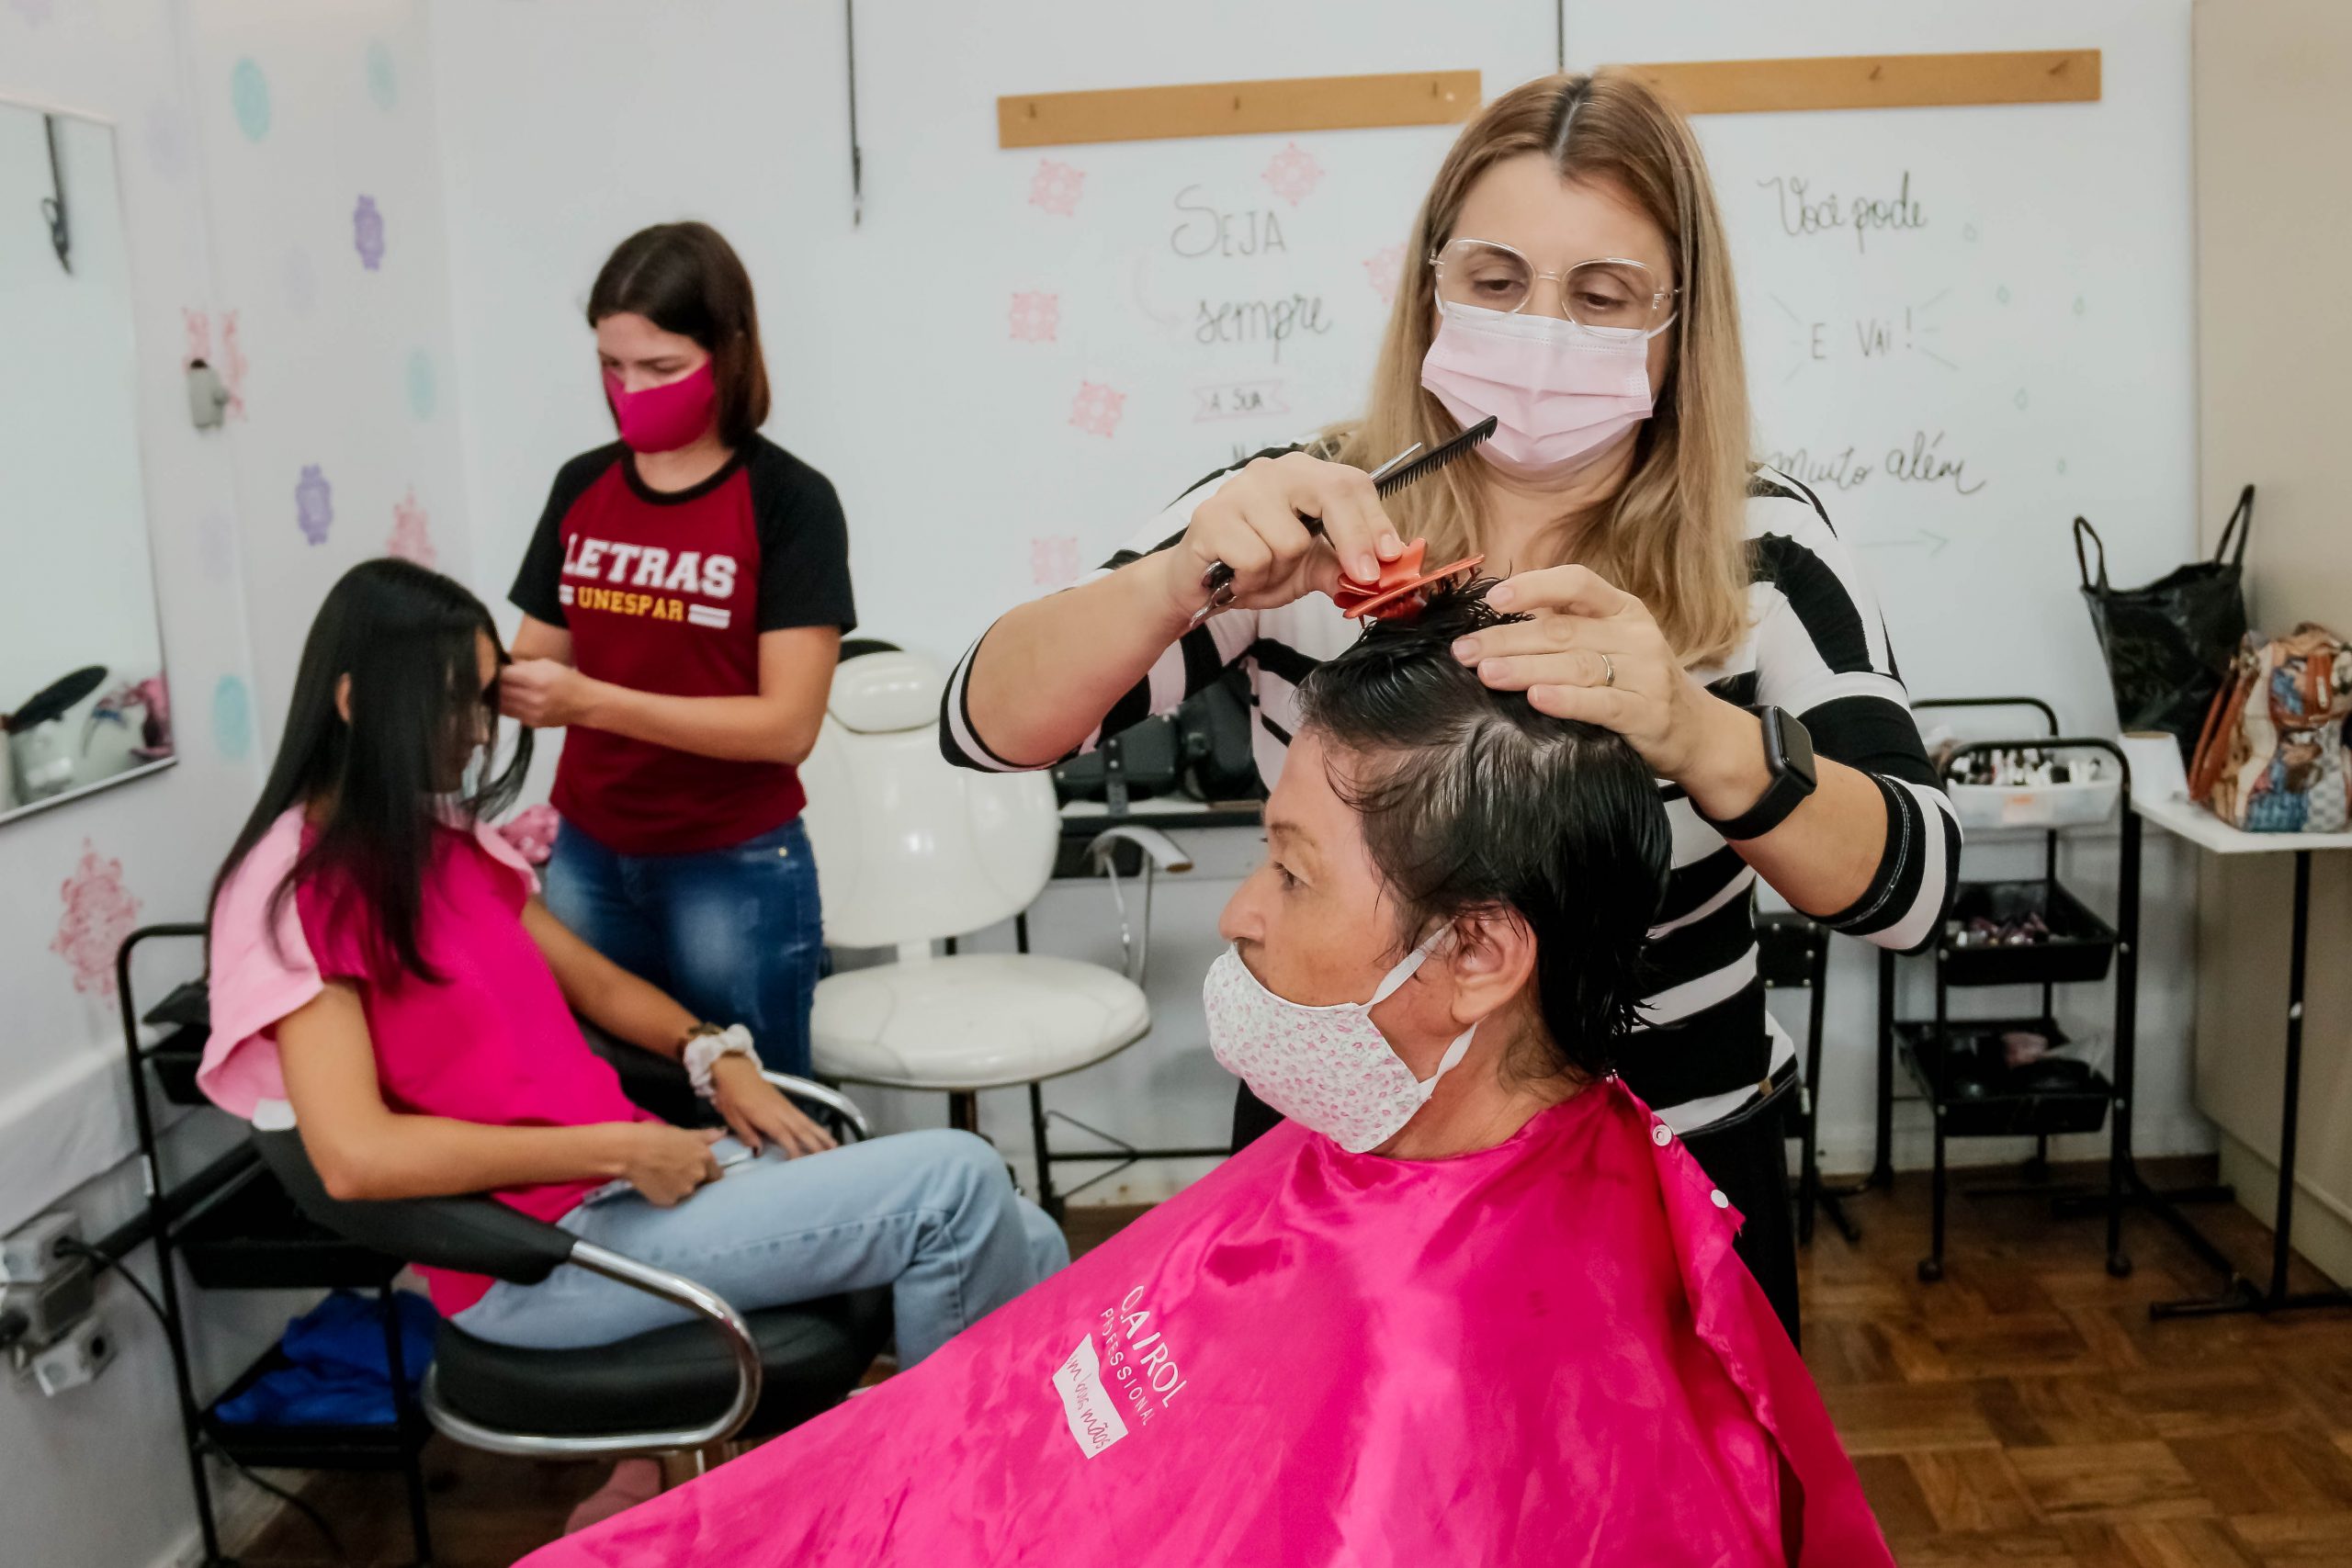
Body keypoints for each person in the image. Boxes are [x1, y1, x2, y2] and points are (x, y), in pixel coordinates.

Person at [522, 583, 1894, 1567]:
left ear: (1476, 949)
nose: (1239, 915)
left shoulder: (1482, 1365)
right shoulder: (1389, 1136)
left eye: (1290, 870)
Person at [941, 70, 1962, 1342]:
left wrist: (1697, 730)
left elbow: (1915, 887)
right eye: (1494, 280)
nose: (1542, 329)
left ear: (1677, 322)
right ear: (1429, 280)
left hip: (1669, 1179)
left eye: (1601, 297)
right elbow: (985, 722)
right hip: (1344, 1165)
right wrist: (1181, 579)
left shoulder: (1758, 547)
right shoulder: (1306, 509)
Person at [198, 561, 1066, 1528]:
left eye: (483, 701)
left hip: (633, 1184)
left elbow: (599, 985)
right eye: (453, 705)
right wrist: (616, 1149)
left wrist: (712, 1053)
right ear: (357, 701)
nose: (479, 732)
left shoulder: (435, 845)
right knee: (953, 1182)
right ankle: (947, 1510)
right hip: (543, 1254)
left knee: (1021, 1230)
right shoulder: (298, 896)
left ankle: (1019, 1482)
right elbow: (355, 1159)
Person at [504, 221, 852, 1077]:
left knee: (763, 1106)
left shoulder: (790, 502)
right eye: (611, 367)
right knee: (620, 1100)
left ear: (729, 353)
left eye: (660, 369)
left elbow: (786, 727)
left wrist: (591, 702)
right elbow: (531, 655)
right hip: (586, 854)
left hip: (730, 867)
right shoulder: (581, 485)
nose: (630, 390)